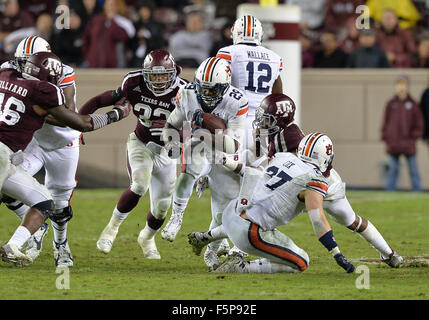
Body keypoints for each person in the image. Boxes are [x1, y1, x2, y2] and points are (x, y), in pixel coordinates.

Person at [189, 93, 404, 271]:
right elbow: (265, 165)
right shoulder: (281, 142)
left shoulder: (290, 140)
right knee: (256, 206)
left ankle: (389, 253)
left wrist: (226, 163)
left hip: (323, 188)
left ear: (280, 120)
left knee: (352, 221)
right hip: (297, 184)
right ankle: (216, 240)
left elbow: (304, 181)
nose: (261, 122)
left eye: (267, 119)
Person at [161, 15, 283, 256]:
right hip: (260, 126)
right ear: (260, 35)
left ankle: (223, 243)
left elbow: (218, 79)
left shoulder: (228, 53)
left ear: (234, 32)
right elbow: (278, 93)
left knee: (224, 189)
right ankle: (234, 244)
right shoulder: (274, 57)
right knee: (251, 189)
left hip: (231, 122)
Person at [0, 52, 131, 267]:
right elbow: (78, 122)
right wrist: (116, 114)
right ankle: (32, 230)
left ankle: (58, 244)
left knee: (56, 205)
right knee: (19, 196)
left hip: (61, 146)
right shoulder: (44, 90)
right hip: (27, 145)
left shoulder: (6, 74)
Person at [191, 131, 356, 274]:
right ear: (326, 158)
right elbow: (317, 218)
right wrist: (336, 252)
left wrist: (227, 162)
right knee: (302, 262)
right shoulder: (315, 179)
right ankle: (241, 267)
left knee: (255, 211)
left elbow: (253, 173)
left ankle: (205, 237)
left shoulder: (283, 157)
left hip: (231, 212)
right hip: (248, 233)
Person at [79, 50, 187, 259]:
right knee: (139, 184)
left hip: (166, 151)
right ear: (145, 74)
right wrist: (78, 123)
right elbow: (103, 99)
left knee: (162, 207)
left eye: (163, 75)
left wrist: (172, 130)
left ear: (173, 74)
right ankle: (111, 229)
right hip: (141, 143)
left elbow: (192, 128)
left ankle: (146, 237)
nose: (158, 81)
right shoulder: (133, 82)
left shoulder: (183, 91)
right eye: (154, 76)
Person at [1, 36, 81, 267]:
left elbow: (69, 115)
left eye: (31, 62)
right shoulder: (8, 68)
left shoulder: (62, 71)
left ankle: (61, 245)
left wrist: (35, 107)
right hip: (33, 140)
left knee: (60, 203)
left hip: (64, 142)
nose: (25, 68)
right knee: (9, 190)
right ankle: (34, 230)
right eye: (22, 62)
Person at [161, 56, 248, 268]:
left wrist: (208, 128)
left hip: (224, 154)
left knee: (222, 211)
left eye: (213, 90)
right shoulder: (188, 93)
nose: (206, 94)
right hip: (199, 145)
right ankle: (177, 217)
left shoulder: (237, 100)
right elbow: (171, 125)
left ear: (225, 87)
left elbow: (233, 146)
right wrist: (171, 143)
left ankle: (211, 248)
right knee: (188, 171)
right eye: (203, 88)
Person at [381, 75, 424, 191]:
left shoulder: (413, 105)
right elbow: (385, 122)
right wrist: (386, 137)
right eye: (399, 84)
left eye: (404, 85)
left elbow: (419, 124)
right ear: (395, 86)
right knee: (392, 170)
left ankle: (417, 191)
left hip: (408, 144)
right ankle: (389, 191)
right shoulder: (391, 104)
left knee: (413, 170)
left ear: (407, 87)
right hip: (394, 143)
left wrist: (413, 137)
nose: (401, 87)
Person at [82, 0, 135, 68]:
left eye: (113, 5)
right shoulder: (96, 20)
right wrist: (89, 57)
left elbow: (123, 37)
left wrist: (112, 21)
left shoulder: (121, 22)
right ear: (104, 6)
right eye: (108, 5)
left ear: (117, 7)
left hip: (113, 66)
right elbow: (86, 39)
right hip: (93, 64)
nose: (110, 7)